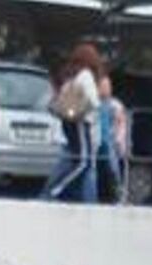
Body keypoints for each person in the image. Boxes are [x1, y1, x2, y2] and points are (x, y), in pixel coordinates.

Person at [40, 44, 102, 203]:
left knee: (74, 161)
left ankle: (55, 194)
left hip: (68, 123)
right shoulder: (86, 75)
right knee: (83, 163)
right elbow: (94, 102)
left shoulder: (71, 76)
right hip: (81, 124)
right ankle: (56, 192)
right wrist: (85, 111)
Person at [96, 75, 128, 203]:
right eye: (102, 86)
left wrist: (120, 140)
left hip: (110, 141)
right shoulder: (94, 103)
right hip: (95, 140)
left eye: (107, 86)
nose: (105, 89)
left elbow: (121, 124)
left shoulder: (115, 105)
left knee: (112, 164)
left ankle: (118, 192)